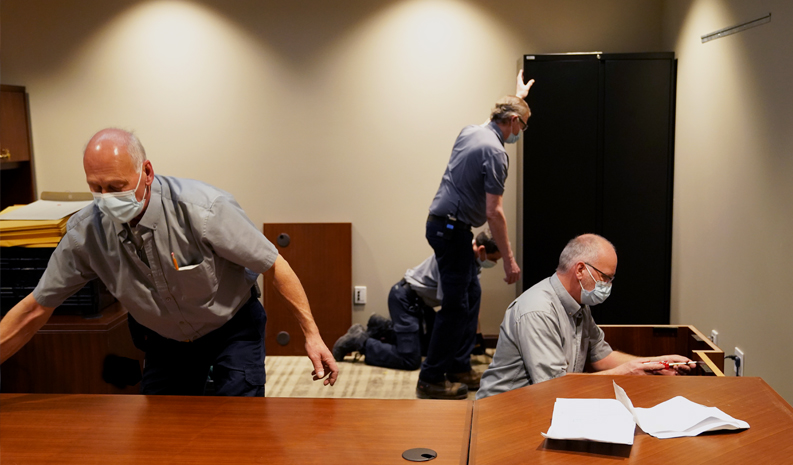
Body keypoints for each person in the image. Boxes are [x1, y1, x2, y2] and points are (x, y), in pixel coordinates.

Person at [0, 128, 338, 396]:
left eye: (116, 186)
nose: (106, 198)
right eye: (96, 188)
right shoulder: (86, 233)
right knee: (162, 430)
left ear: (146, 171)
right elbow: (34, 309)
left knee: (240, 428)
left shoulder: (204, 210)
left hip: (231, 327)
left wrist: (311, 334)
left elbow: (273, 263)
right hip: (164, 338)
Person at [417, 70, 534, 399]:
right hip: (450, 229)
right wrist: (509, 261)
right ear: (512, 121)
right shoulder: (496, 153)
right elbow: (493, 212)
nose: (521, 133)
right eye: (522, 125)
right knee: (455, 306)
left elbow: (499, 115)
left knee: (470, 297)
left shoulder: (472, 131)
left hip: (447, 225)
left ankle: (457, 365)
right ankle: (431, 378)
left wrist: (518, 98)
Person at [476, 234, 694, 399]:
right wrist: (627, 371)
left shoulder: (579, 304)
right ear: (580, 270)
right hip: (503, 410)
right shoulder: (538, 310)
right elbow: (552, 387)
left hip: (539, 403)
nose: (608, 286)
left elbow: (601, 357)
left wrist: (658, 364)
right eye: (605, 277)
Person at [332, 231, 501, 377]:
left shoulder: (473, 263)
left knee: (432, 349)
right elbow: (453, 306)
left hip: (421, 305)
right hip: (405, 300)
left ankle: (382, 327)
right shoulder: (455, 259)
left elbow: (471, 302)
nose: (495, 263)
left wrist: (476, 337)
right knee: (410, 359)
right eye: (494, 259)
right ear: (481, 250)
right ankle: (361, 341)